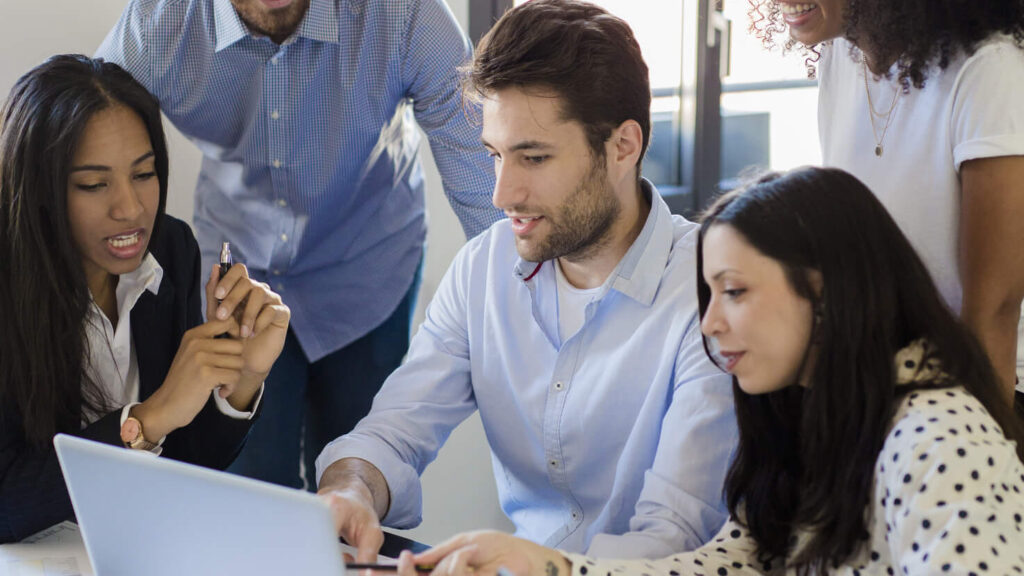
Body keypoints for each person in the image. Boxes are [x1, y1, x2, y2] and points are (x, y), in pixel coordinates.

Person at [394, 167, 1024, 576]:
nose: (710, 324)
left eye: (735, 292)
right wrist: (546, 566)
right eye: (708, 295)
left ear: (823, 291)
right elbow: (725, 566)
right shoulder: (806, 419)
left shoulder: (936, 436)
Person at [315, 0, 736, 562]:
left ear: (623, 146)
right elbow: (393, 430)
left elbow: (672, 537)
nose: (501, 195)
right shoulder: (483, 270)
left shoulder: (710, 291)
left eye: (533, 158)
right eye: (495, 156)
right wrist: (351, 488)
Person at [94, 0, 503, 490]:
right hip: (235, 277)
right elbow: (78, 128)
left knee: (363, 486)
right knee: (248, 495)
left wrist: (522, 322)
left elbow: (488, 178)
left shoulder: (405, 12)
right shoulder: (160, 22)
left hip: (368, 272)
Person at [0, 54, 290, 543]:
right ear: (42, 190)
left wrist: (241, 380)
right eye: (94, 184)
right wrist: (145, 420)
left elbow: (189, 463)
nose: (131, 209)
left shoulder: (170, 250)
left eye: (144, 174)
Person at [748, 0, 1024, 408]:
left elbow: (992, 315)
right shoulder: (841, 56)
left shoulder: (990, 71)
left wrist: (980, 454)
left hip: (981, 389)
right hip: (882, 375)